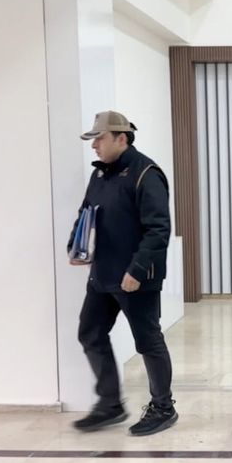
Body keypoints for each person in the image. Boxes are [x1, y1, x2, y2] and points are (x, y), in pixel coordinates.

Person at [68, 111, 177, 436]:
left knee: (147, 341)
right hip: (103, 273)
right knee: (90, 333)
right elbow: (86, 213)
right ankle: (110, 404)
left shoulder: (146, 174)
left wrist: (137, 270)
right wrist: (76, 246)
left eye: (99, 139)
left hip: (135, 278)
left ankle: (164, 407)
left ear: (121, 138)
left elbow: (158, 229)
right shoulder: (100, 174)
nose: (94, 146)